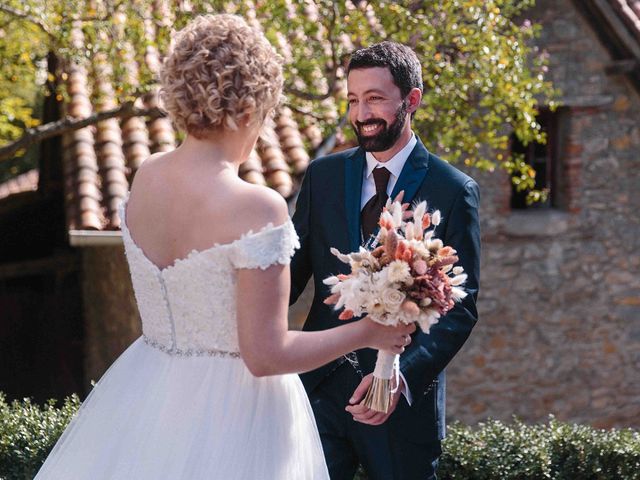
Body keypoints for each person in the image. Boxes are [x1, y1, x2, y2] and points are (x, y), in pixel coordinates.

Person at [34, 16, 415, 479]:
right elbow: (265, 355)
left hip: (147, 391)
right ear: (254, 102)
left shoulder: (147, 175)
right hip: (238, 416)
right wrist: (368, 332)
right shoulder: (257, 207)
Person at [290, 41, 481, 480]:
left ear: (411, 100)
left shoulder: (453, 190)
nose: (361, 113)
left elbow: (461, 307)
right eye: (354, 100)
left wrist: (401, 378)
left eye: (375, 98)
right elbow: (291, 273)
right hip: (318, 388)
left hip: (400, 403)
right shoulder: (323, 175)